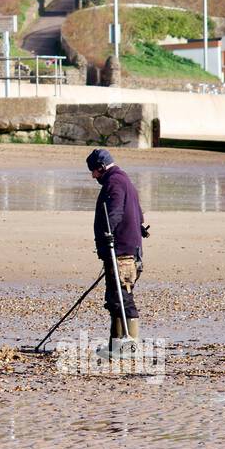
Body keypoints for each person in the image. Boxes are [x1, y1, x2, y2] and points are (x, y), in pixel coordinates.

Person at [86, 148, 147, 359]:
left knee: (123, 297)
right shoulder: (123, 179)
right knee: (115, 298)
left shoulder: (115, 182)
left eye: (94, 171)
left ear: (101, 167)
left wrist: (107, 235)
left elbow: (115, 212)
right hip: (127, 249)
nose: (93, 175)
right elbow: (138, 212)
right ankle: (115, 347)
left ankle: (130, 347)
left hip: (122, 251)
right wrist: (140, 228)